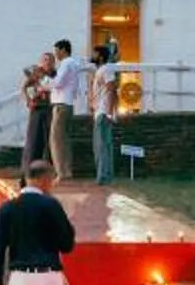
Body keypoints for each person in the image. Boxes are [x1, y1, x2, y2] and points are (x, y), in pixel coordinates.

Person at [46, 39, 85, 183]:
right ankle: (67, 170)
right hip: (68, 104)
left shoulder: (66, 63)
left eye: (56, 50)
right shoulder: (74, 64)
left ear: (63, 50)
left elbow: (58, 82)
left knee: (55, 139)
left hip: (61, 104)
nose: (55, 54)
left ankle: (60, 172)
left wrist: (44, 83)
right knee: (65, 139)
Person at [91, 43, 122, 185]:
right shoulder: (100, 70)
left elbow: (111, 90)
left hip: (103, 113)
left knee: (101, 146)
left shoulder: (106, 69)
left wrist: (109, 113)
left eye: (94, 53)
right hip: (100, 112)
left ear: (101, 56)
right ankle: (106, 176)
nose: (92, 56)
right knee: (102, 145)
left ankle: (103, 177)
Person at [20, 61, 52, 178]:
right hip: (37, 113)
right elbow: (30, 96)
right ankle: (29, 169)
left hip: (47, 112)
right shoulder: (31, 85)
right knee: (34, 142)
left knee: (46, 143)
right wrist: (32, 98)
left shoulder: (46, 80)